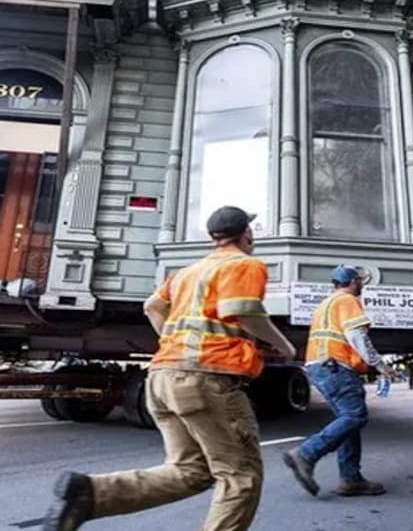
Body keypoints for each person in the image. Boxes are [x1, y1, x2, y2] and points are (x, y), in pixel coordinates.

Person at [42, 206, 296, 531]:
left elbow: (152, 306)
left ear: (213, 237)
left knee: (190, 471)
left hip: (162, 377)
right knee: (240, 476)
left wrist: (174, 341)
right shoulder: (244, 264)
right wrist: (284, 345)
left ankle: (91, 495)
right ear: (247, 232)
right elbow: (243, 311)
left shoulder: (186, 272)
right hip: (206, 378)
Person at [283, 265, 397, 498]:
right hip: (336, 366)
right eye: (360, 280)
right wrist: (380, 365)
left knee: (348, 421)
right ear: (353, 282)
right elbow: (357, 336)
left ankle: (350, 479)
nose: (361, 285)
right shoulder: (347, 300)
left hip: (320, 366)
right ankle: (306, 454)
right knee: (355, 416)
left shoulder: (326, 303)